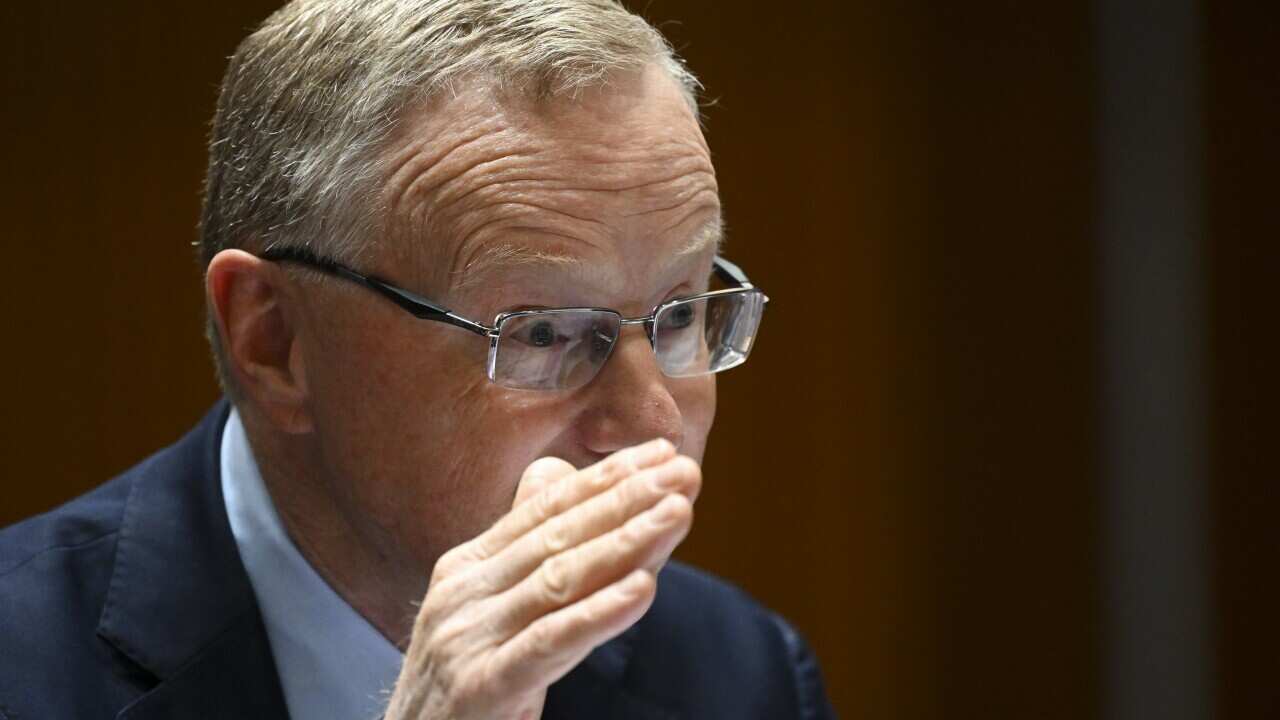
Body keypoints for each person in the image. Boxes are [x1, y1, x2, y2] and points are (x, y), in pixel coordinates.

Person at [0, 1, 834, 718]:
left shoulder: (738, 676)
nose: (653, 428)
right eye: (543, 334)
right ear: (274, 340)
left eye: (682, 313)